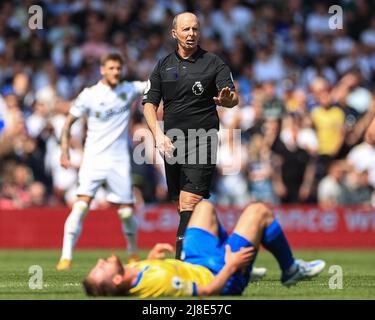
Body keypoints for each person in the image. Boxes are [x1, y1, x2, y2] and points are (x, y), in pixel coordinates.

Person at [142, 12, 239, 259]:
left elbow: (231, 97)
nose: (191, 34)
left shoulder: (214, 63)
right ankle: (229, 252)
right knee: (185, 208)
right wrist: (158, 135)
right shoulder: (163, 65)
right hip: (171, 143)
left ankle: (182, 264)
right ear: (174, 33)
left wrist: (228, 100)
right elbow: (149, 104)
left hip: (203, 140)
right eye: (186, 29)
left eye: (195, 29)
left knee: (188, 203)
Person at [82, 201, 326, 297]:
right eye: (100, 268)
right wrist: (230, 267)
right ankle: (290, 269)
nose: (101, 261)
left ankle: (240, 258)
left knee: (203, 208)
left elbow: (144, 273)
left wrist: (152, 258)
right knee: (258, 211)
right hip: (218, 274)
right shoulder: (159, 284)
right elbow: (208, 292)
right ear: (115, 279)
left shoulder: (131, 273)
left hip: (194, 264)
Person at [56, 53, 147, 270]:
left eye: (118, 68)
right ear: (102, 70)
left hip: (119, 160)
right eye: (111, 68)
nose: (115, 72)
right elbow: (69, 122)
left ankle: (133, 253)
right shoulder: (90, 95)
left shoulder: (130, 89)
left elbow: (157, 82)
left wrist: (180, 70)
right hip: (94, 159)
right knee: (80, 207)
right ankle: (66, 258)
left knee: (126, 211)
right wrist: (64, 150)